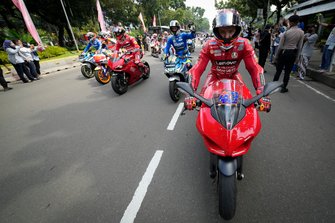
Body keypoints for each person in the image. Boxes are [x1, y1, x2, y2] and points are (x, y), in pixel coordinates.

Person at [184, 9, 270, 111]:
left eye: (231, 31)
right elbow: (197, 69)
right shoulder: (209, 45)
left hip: (234, 75)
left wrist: (262, 92)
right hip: (214, 76)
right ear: (217, 31)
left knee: (248, 102)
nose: (227, 35)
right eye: (222, 31)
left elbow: (254, 68)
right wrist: (190, 93)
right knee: (202, 102)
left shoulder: (244, 44)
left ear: (237, 30)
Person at [273, 15, 304, 93]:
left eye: (289, 22)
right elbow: (300, 46)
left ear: (292, 22)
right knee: (287, 71)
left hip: (284, 52)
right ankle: (284, 88)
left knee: (278, 70)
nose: (289, 23)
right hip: (292, 53)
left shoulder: (286, 32)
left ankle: (272, 86)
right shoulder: (301, 32)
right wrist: (297, 58)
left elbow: (280, 46)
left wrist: (276, 56)